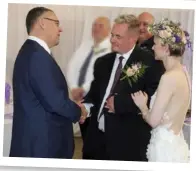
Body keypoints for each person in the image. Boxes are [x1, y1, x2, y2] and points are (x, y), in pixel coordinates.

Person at [80, 14, 165, 161]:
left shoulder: (151, 62)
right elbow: (95, 93)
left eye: (118, 36)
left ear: (132, 39)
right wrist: (84, 108)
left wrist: (120, 104)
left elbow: (153, 98)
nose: (112, 40)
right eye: (112, 35)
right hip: (96, 141)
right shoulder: (102, 62)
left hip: (126, 144)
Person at [9, 7, 81, 158]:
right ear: (42, 23)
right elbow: (55, 102)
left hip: (38, 140)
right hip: (43, 144)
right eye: (56, 23)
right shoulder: (37, 56)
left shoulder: (32, 51)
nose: (60, 29)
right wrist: (79, 111)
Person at [131, 18, 190, 162]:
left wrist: (143, 105)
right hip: (176, 143)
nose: (152, 47)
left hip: (164, 149)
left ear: (166, 48)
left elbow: (153, 121)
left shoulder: (168, 77)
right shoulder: (183, 72)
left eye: (155, 44)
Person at [66, 16, 111, 141]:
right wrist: (74, 87)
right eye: (94, 25)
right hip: (78, 97)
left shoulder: (111, 49)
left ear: (109, 29)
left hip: (96, 100)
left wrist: (83, 89)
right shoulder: (86, 44)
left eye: (100, 26)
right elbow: (72, 65)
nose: (96, 28)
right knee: (85, 133)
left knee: (95, 137)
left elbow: (100, 76)